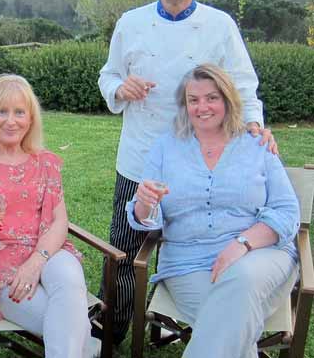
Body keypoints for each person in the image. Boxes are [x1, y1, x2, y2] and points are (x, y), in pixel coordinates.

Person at [96, 0, 277, 343]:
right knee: (124, 253)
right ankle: (114, 332)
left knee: (190, 242)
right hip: (141, 158)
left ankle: (179, 321)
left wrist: (254, 126)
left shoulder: (219, 25)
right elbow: (108, 76)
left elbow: (244, 86)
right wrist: (120, 88)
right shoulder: (131, 22)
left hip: (200, 160)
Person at [127, 64, 299, 358]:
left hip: (261, 256)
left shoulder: (257, 144)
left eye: (212, 98)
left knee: (241, 283)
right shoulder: (166, 148)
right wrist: (144, 201)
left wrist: (242, 244)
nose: (202, 107)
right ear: (185, 105)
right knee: (232, 321)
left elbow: (287, 211)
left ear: (227, 100)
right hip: (189, 264)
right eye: (193, 100)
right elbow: (146, 217)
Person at [0, 75, 100, 357]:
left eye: (19, 112)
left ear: (31, 118)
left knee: (69, 282)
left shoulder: (45, 162)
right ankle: (89, 347)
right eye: (2, 111)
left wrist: (35, 263)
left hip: (48, 251)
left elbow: (58, 222)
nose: (10, 121)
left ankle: (87, 347)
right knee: (71, 327)